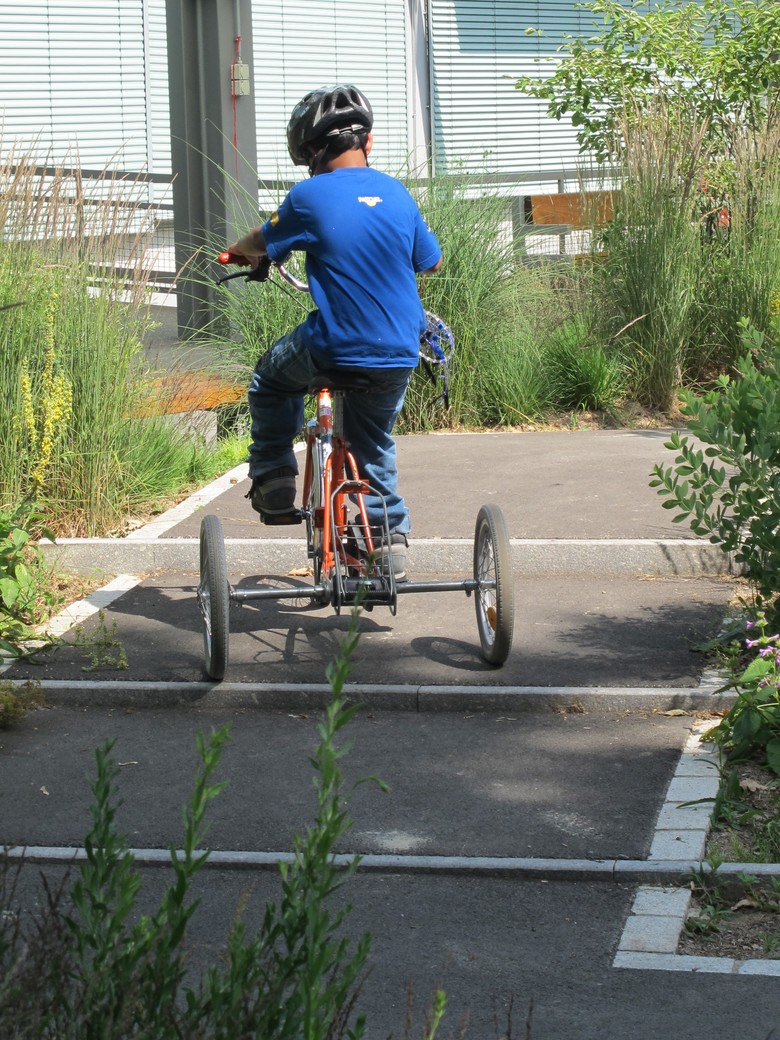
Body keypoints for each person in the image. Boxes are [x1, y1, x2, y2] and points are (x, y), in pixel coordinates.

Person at [226, 84, 443, 581]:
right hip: (398, 350)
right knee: (374, 442)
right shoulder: (398, 193)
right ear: (368, 140)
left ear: (311, 152)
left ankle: (275, 479)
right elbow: (431, 262)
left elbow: (263, 239)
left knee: (269, 379)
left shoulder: (308, 196)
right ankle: (387, 542)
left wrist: (239, 251)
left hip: (335, 345)